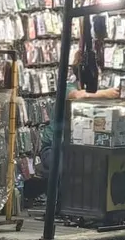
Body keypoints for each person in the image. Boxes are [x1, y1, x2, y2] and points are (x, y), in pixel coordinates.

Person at [23, 52, 119, 204]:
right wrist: (105, 93)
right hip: (53, 148)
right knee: (66, 168)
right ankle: (61, 204)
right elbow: (79, 96)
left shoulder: (89, 90)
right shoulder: (68, 87)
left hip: (74, 146)